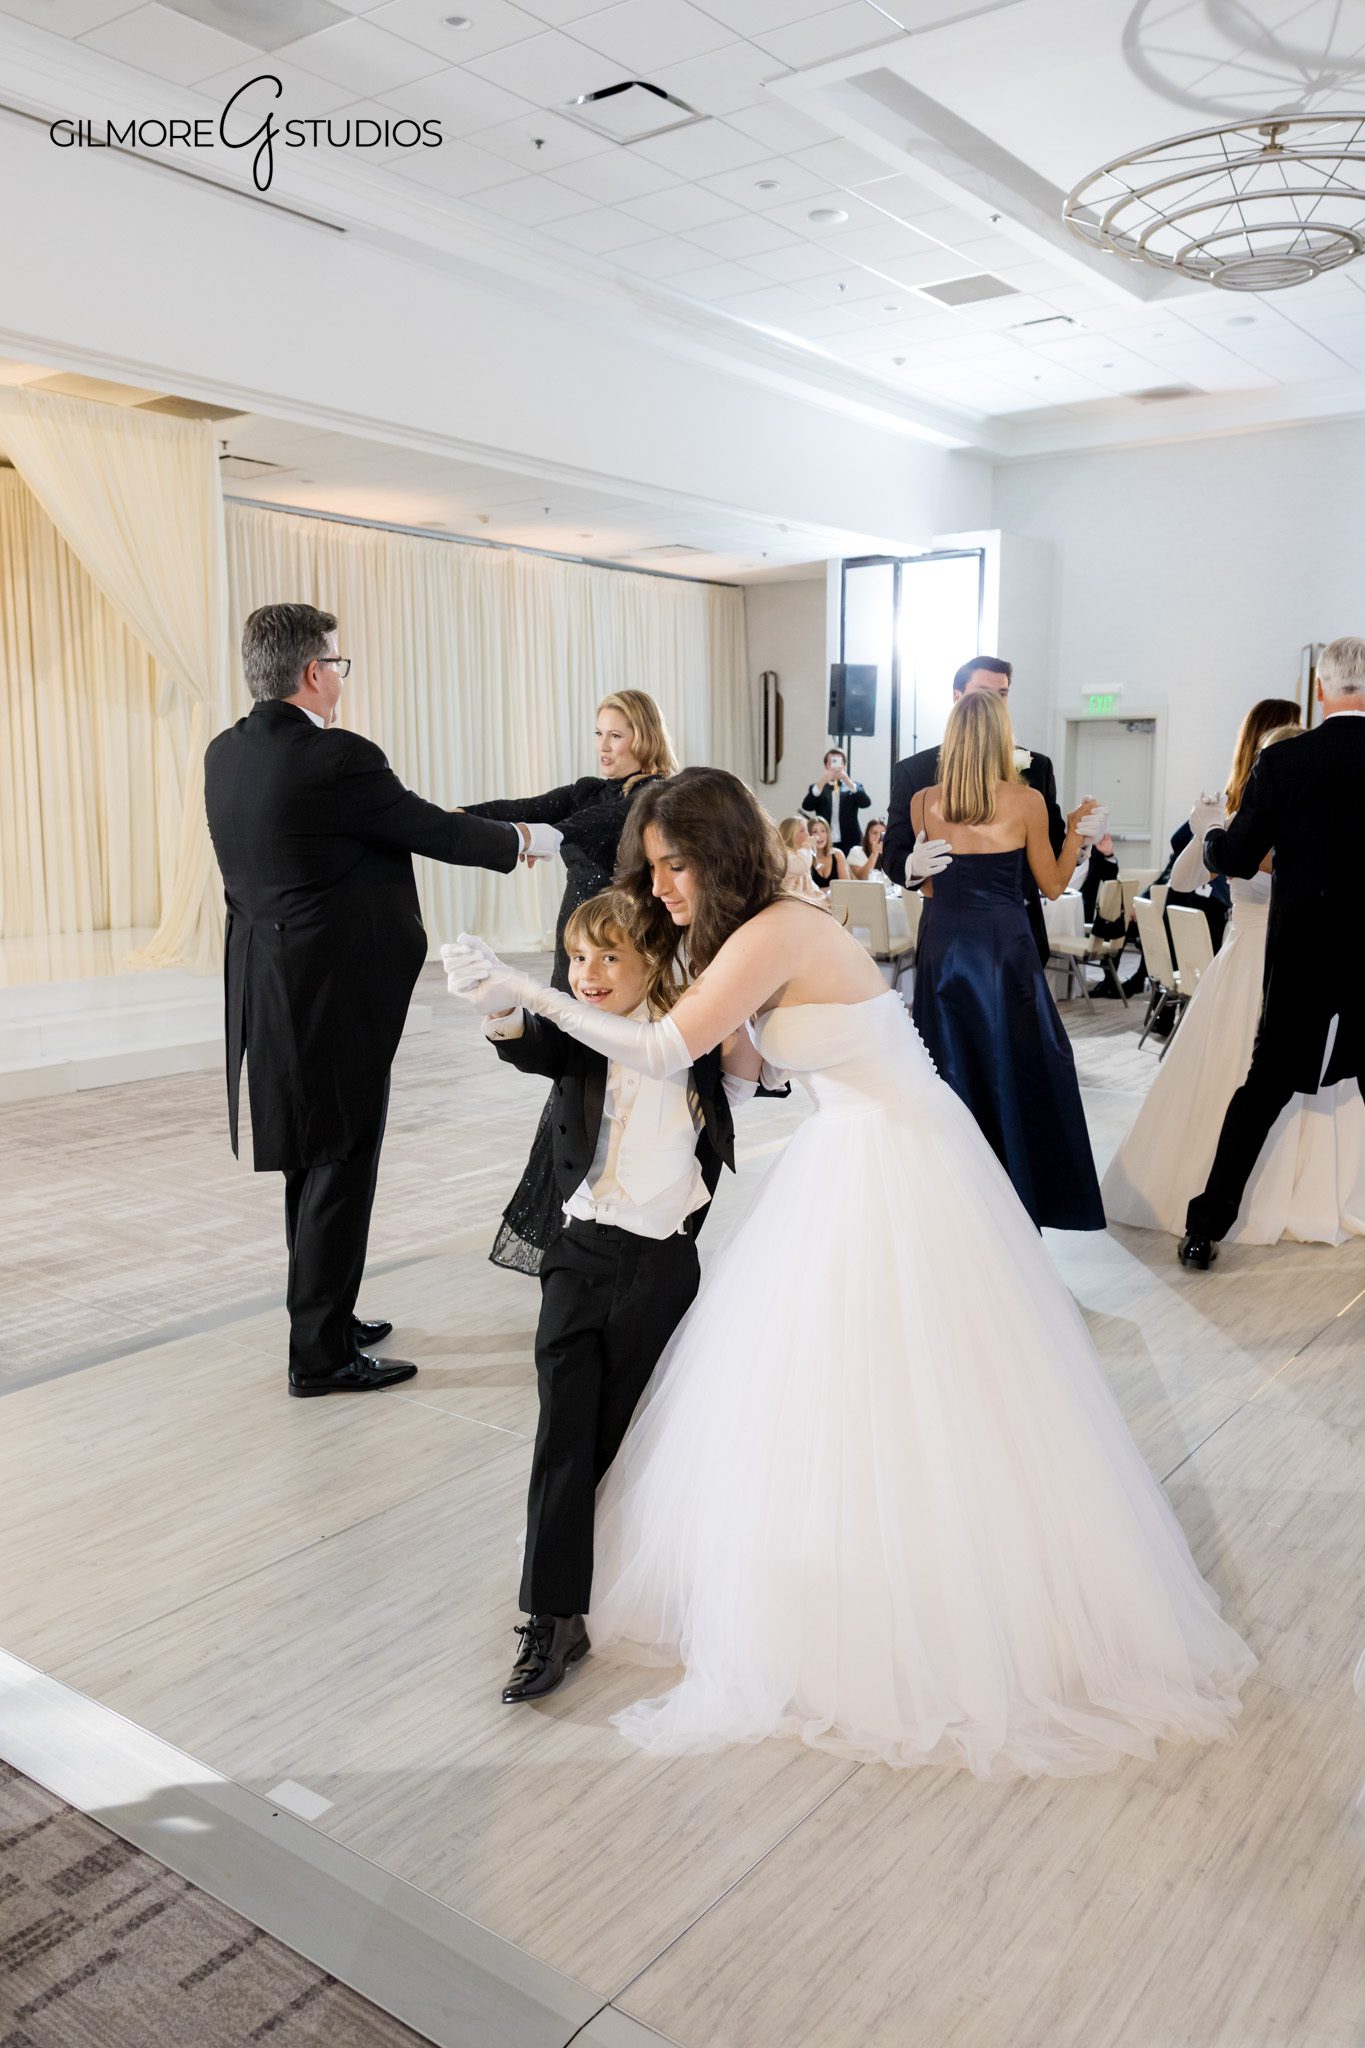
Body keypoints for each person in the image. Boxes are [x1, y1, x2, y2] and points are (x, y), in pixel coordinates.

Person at [445, 767, 1254, 1777]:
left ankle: (914, 1598)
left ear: (718, 854)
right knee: (835, 1385)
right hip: (853, 1141)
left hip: (890, 1150)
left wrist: (529, 990)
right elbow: (751, 1068)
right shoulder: (764, 928)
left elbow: (666, 1049)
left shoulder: (776, 928)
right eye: (651, 869)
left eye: (674, 865)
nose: (661, 887)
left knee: (905, 1385)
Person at [203, 603, 556, 1398]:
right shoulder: (337, 757)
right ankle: (320, 1357)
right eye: (338, 663)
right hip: (329, 990)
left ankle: (324, 1318)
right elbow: (426, 828)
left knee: (308, 1155)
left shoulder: (227, 751)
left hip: (267, 982)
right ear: (313, 672)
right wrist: (527, 839)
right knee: (340, 1161)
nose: (340, 677)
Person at [449, 891, 757, 1704]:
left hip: (660, 1267)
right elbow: (533, 1045)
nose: (586, 973)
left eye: (609, 957)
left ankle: (632, 1583)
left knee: (626, 1441)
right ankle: (551, 1619)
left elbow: (752, 1077)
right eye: (577, 957)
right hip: (578, 1257)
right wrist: (496, 1011)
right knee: (562, 1435)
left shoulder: (690, 1038)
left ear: (653, 961)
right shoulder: (579, 1034)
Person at [1106, 708, 1363, 1245]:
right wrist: (1206, 831)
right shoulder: (1265, 822)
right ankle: (1213, 1215)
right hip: (1255, 962)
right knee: (1252, 1083)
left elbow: (1247, 861)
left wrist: (1216, 836)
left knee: (1266, 1087)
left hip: (1292, 961)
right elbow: (1187, 879)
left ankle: (1218, 1220)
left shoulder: (1295, 821)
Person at [460, 692, 678, 1275]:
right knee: (571, 1080)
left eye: (616, 734)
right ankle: (575, 1225)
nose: (604, 746)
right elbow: (523, 807)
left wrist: (531, 837)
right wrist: (446, 820)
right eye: (599, 733)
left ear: (644, 736)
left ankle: (596, 1222)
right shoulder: (591, 789)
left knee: (594, 1086)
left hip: (618, 963)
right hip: (577, 958)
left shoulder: (653, 797)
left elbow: (568, 829)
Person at [1180, 639, 1365, 1269]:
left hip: (1303, 950)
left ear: (1320, 689)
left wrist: (1211, 836)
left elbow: (1234, 858)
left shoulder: (1285, 760)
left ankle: (1205, 1228)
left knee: (1263, 1088)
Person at [909, 693, 1104, 1231]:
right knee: (1014, 1066)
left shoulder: (923, 800)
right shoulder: (1026, 802)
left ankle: (953, 1202)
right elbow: (1054, 885)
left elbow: (928, 886)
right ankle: (1015, 1197)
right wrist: (1076, 834)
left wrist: (915, 870)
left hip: (944, 946)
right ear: (1002, 738)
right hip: (1001, 950)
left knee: (950, 1067)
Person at [883, 657, 1065, 965]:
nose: (994, 702)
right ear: (957, 697)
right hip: (947, 936)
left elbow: (1053, 847)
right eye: (983, 692)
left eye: (1002, 694)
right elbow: (892, 852)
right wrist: (913, 865)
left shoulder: (1036, 768)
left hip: (1017, 933)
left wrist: (1080, 842)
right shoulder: (915, 772)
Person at [801, 746, 870, 854]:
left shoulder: (853, 786)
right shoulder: (818, 787)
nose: (835, 766)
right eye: (832, 762)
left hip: (850, 840)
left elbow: (866, 803)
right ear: (826, 765)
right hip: (824, 840)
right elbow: (807, 806)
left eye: (839, 762)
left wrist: (848, 781)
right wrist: (822, 782)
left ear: (845, 765)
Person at [776, 815, 823, 901]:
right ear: (789, 834)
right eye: (802, 830)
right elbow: (802, 866)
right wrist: (807, 847)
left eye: (807, 830)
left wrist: (819, 894)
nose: (807, 834)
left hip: (805, 898)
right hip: (790, 900)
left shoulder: (800, 853)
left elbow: (808, 882)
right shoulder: (784, 855)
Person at [805, 812, 848, 891]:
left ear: (828, 834)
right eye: (815, 832)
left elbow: (846, 886)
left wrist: (822, 891)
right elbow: (805, 890)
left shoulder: (838, 854)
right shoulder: (805, 857)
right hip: (813, 899)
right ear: (809, 835)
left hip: (837, 898)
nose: (819, 835)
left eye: (823, 831)